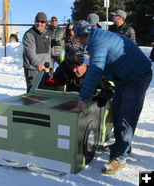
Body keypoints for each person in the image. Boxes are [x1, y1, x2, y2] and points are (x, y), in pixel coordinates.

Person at [72, 20, 152, 175]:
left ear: (81, 37)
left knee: (126, 116)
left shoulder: (98, 42)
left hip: (137, 77)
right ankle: (122, 145)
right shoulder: (98, 36)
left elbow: (96, 70)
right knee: (117, 110)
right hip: (125, 77)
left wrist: (82, 99)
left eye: (77, 37)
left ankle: (119, 158)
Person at [46, 50, 113, 107]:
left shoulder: (94, 74)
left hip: (86, 105)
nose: (74, 70)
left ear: (84, 65)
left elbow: (109, 89)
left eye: (76, 67)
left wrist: (103, 97)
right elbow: (57, 79)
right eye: (72, 67)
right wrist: (49, 82)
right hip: (69, 101)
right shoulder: (67, 68)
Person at [22, 12, 52, 93]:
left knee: (44, 92)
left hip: (45, 68)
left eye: (42, 22)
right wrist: (37, 64)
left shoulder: (48, 34)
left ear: (45, 23)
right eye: (37, 21)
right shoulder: (29, 34)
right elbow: (29, 52)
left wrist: (50, 66)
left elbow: (48, 52)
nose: (39, 24)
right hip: (33, 68)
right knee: (33, 92)